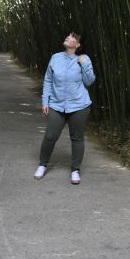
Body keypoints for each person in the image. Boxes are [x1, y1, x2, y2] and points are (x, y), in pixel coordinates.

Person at [34, 31, 96, 184]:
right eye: (68, 35)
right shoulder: (55, 58)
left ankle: (75, 170)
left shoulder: (84, 59)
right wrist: (45, 101)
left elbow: (89, 81)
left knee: (77, 138)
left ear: (78, 45)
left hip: (79, 105)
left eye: (73, 37)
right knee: (50, 136)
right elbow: (48, 80)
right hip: (57, 104)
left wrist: (84, 64)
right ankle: (42, 164)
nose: (68, 37)